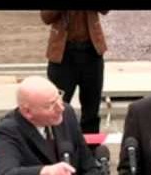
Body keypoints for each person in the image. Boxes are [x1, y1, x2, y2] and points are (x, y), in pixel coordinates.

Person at [41, 10, 109, 151]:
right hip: (63, 55)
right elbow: (46, 17)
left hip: (91, 52)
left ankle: (91, 153)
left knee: (91, 110)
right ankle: (57, 151)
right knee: (56, 107)